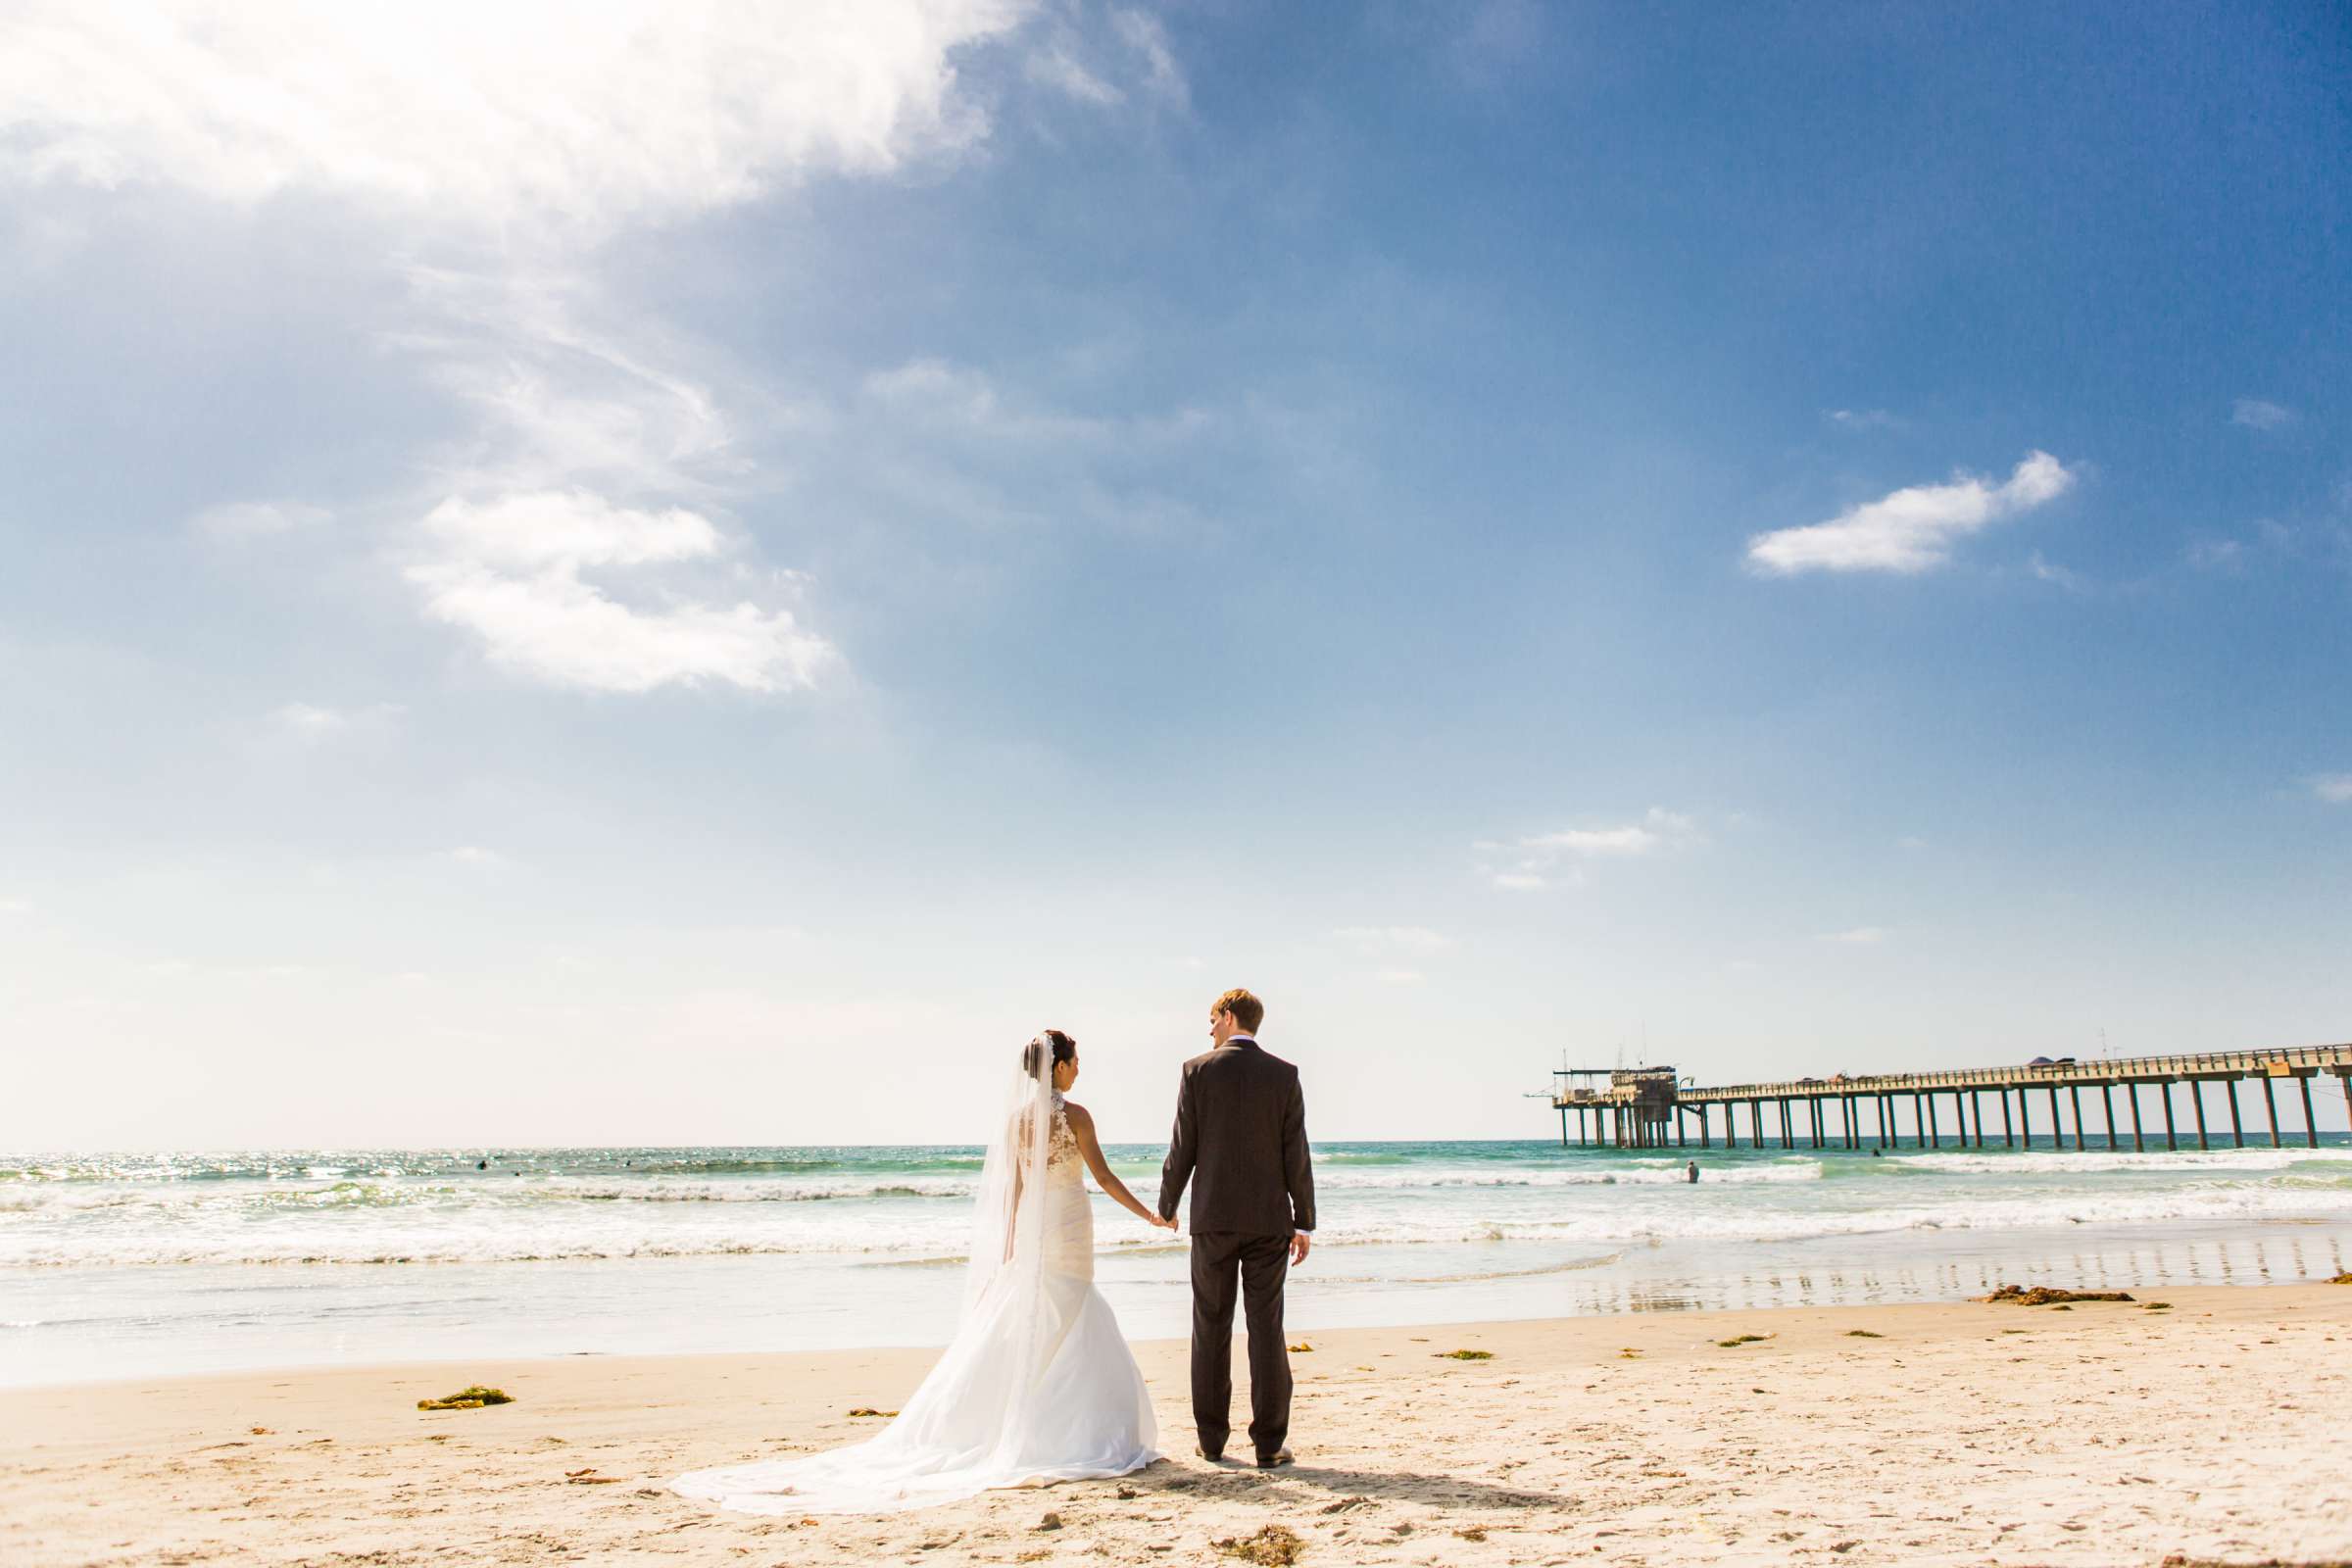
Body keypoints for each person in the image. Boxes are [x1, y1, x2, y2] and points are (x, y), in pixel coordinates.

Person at [670, 1030, 1170, 1514]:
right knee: (1070, 1311)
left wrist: (1012, 1250)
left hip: (1040, 1228)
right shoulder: (1077, 1115)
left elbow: (1015, 1194)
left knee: (1038, 1313)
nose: (1079, 1069)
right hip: (1068, 1223)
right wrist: (1150, 1214)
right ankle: (1066, 1426)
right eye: (1076, 1061)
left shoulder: (1017, 1121)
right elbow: (1103, 1177)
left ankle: (1027, 1419)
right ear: (1057, 1066)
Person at [1157, 988, 1316, 1470]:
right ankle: (1269, 1444)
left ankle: (1211, 1441)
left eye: (1211, 1020)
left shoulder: (1197, 1070)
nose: (1208, 1030)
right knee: (1266, 1329)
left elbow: (1183, 1143)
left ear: (1228, 1017)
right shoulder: (1284, 1074)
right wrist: (1303, 1220)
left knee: (1211, 1327)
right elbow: (1297, 1152)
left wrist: (1168, 1204)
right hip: (1270, 1221)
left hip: (1214, 1220)